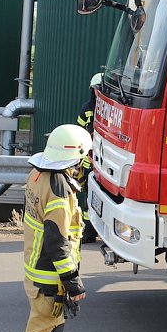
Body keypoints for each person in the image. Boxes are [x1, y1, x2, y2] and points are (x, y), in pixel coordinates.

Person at [12, 123, 92, 332]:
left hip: (36, 269)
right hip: (50, 276)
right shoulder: (61, 192)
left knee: (52, 328)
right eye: (86, 157)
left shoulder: (37, 174)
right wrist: (73, 282)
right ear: (76, 155)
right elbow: (57, 241)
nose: (87, 163)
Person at [76, 73, 102, 244]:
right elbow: (79, 133)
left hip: (106, 162)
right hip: (89, 161)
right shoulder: (87, 110)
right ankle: (89, 232)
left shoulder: (111, 110)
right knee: (89, 198)